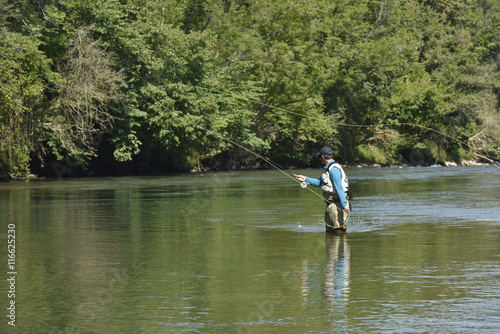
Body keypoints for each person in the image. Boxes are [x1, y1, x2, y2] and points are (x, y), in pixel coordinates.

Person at [294, 146, 350, 233]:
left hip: (337, 205)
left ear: (323, 157)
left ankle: (341, 246)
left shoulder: (334, 169)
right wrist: (304, 178)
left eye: (320, 157)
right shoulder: (329, 169)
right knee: (330, 232)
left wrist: (344, 205)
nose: (320, 159)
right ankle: (331, 246)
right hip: (331, 205)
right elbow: (319, 182)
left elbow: (339, 187)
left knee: (338, 232)